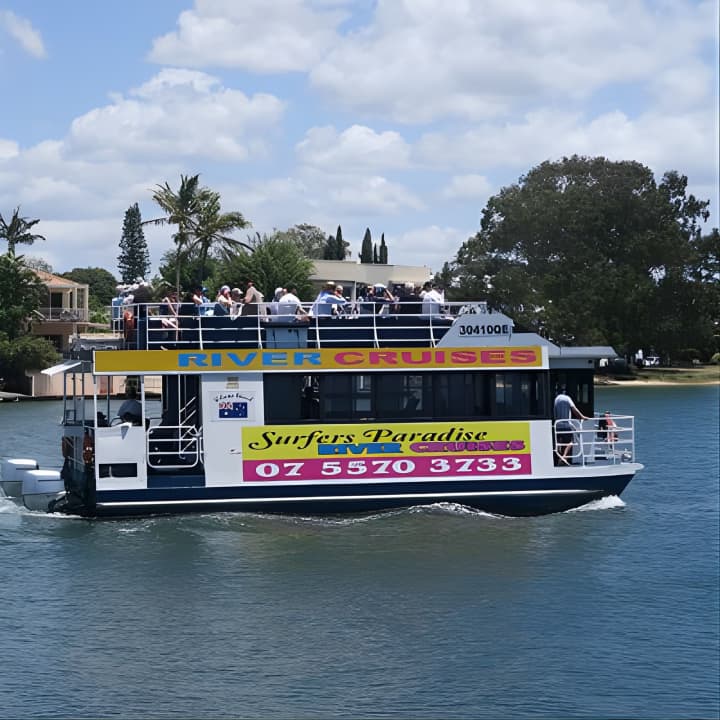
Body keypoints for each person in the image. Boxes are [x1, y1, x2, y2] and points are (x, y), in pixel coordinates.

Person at [553, 386, 591, 465]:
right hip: (566, 425)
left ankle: (559, 458)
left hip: (557, 424)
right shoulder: (567, 398)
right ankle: (564, 457)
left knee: (559, 442)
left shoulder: (556, 399)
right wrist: (582, 417)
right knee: (571, 441)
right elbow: (574, 409)